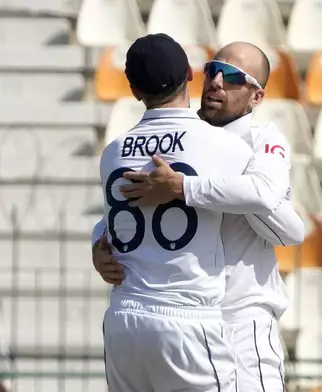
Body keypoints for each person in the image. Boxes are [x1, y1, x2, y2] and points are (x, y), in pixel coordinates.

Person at [93, 41, 305, 391]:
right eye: (212, 69)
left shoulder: (261, 140)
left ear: (256, 97)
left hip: (241, 316)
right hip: (188, 316)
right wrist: (98, 246)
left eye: (234, 76)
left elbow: (291, 230)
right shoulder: (185, 138)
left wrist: (186, 188)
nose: (217, 81)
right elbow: (121, 207)